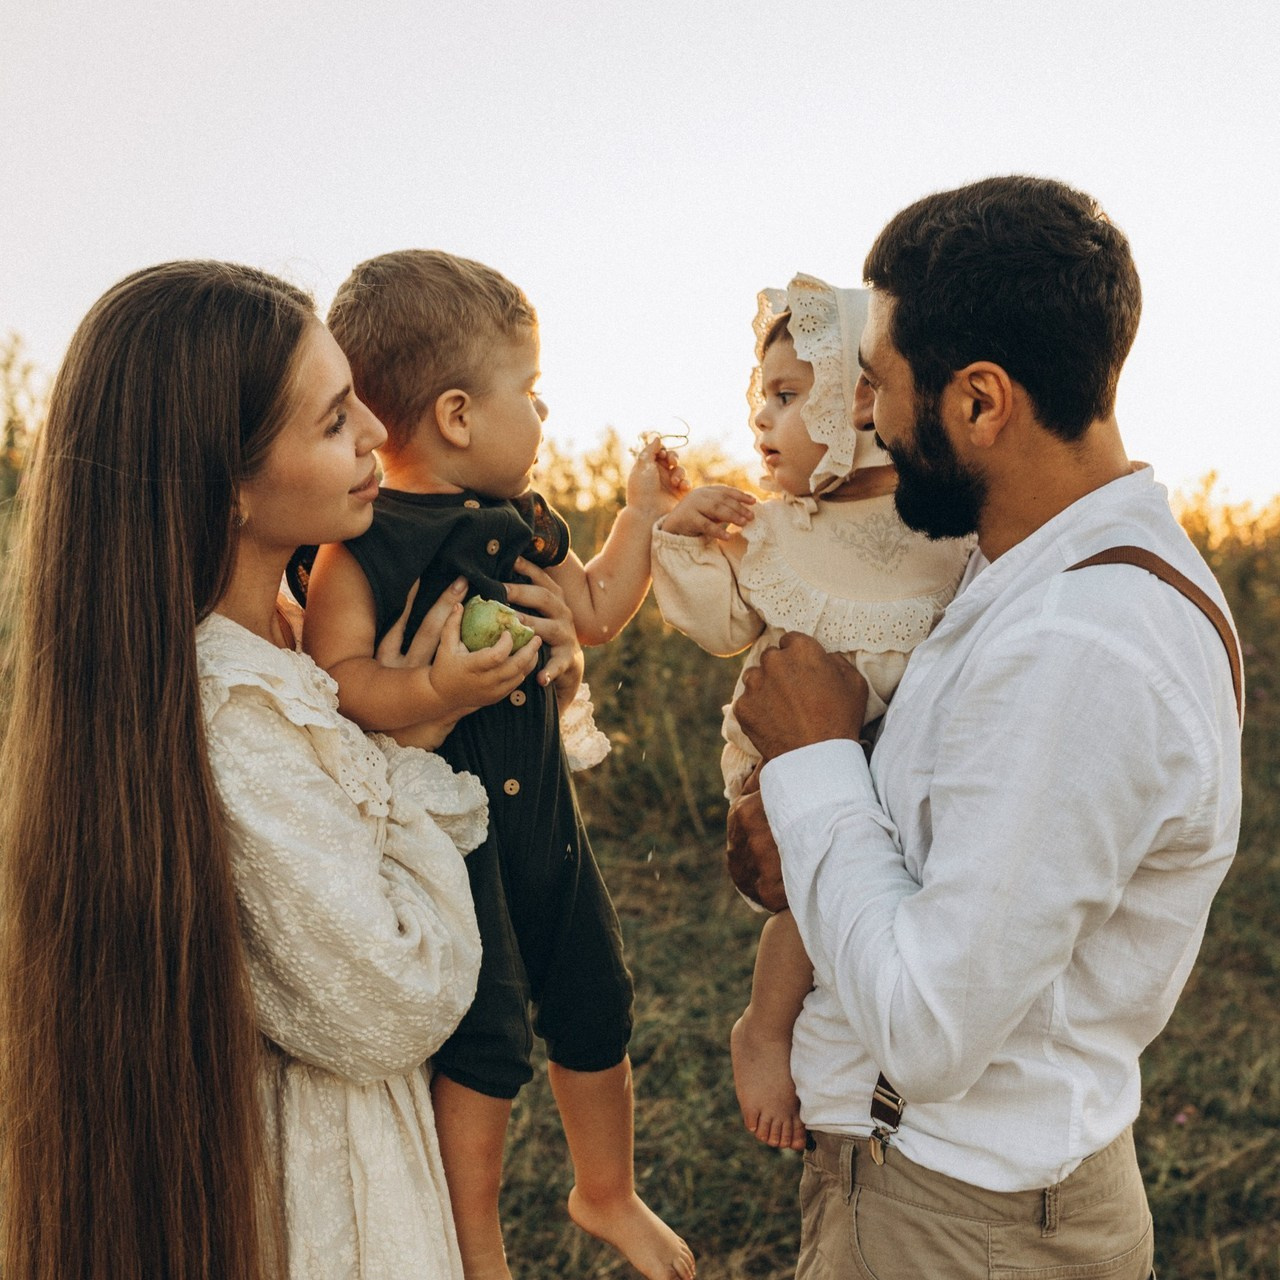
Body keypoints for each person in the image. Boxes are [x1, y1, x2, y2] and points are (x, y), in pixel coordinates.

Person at [730, 176, 1242, 1279]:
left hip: (954, 1221)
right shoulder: (1031, 567)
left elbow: (927, 1026)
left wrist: (815, 760)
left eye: (879, 386)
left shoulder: (1081, 644)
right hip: (972, 1198)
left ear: (977, 403)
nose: (864, 415)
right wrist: (808, 834)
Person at [0, 259, 539, 1279]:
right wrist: (412, 758)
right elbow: (394, 992)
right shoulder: (231, 712)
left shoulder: (294, 639)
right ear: (229, 480)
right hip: (313, 1203)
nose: (380, 433)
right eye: (337, 419)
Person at [297, 250, 695, 1280]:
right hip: (451, 845)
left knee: (594, 999)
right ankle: (476, 1245)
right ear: (460, 414)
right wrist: (432, 693)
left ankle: (604, 1189)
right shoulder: (364, 547)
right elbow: (335, 680)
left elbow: (598, 611)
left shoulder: (521, 525)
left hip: (547, 829)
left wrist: (640, 519)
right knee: (482, 1042)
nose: (545, 411)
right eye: (531, 390)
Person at [650, 275, 970, 1151]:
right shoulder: (780, 527)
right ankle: (765, 1025)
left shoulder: (944, 528)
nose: (762, 421)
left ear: (863, 399)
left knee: (888, 897)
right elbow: (718, 626)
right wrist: (680, 538)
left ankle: (871, 1043)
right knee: (803, 892)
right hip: (789, 762)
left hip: (899, 770)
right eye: (762, 399)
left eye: (789, 397)